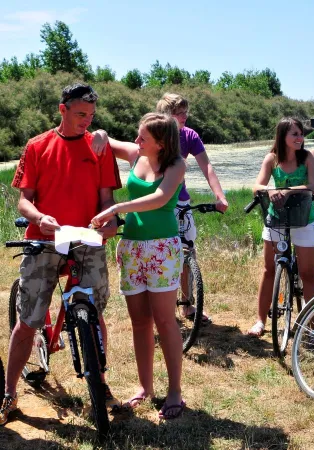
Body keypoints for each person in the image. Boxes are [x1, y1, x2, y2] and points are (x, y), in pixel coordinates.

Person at [1, 83, 122, 427]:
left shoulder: (99, 148)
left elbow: (106, 199)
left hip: (86, 239)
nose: (86, 121)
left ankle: (99, 382)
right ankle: (9, 394)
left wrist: (107, 218)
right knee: (28, 321)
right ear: (62, 109)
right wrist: (39, 218)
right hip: (44, 239)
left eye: (92, 116)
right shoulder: (37, 146)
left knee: (94, 313)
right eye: (80, 114)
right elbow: (24, 201)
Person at [93, 92, 227, 324]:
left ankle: (186, 304)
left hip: (178, 200)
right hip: (145, 219)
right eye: (178, 113)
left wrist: (219, 195)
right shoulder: (145, 143)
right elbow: (111, 144)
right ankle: (163, 304)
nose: (184, 117)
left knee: (187, 250)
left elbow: (207, 166)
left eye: (186, 112)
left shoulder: (188, 139)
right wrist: (101, 133)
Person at [90, 112, 187, 419]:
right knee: (139, 321)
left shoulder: (176, 165)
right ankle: (145, 387)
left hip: (162, 249)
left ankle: (174, 391)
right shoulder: (135, 155)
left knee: (165, 320)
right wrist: (102, 134)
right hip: (131, 247)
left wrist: (118, 207)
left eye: (143, 137)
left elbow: (160, 198)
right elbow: (105, 139)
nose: (136, 140)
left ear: (161, 142)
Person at [248, 117, 314, 336]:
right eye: (294, 134)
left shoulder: (309, 157)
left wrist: (289, 190)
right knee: (269, 270)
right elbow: (256, 186)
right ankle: (260, 321)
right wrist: (269, 191)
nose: (300, 138)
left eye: (301, 134)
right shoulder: (272, 159)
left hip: (303, 219)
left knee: (308, 274)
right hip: (276, 218)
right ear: (282, 136)